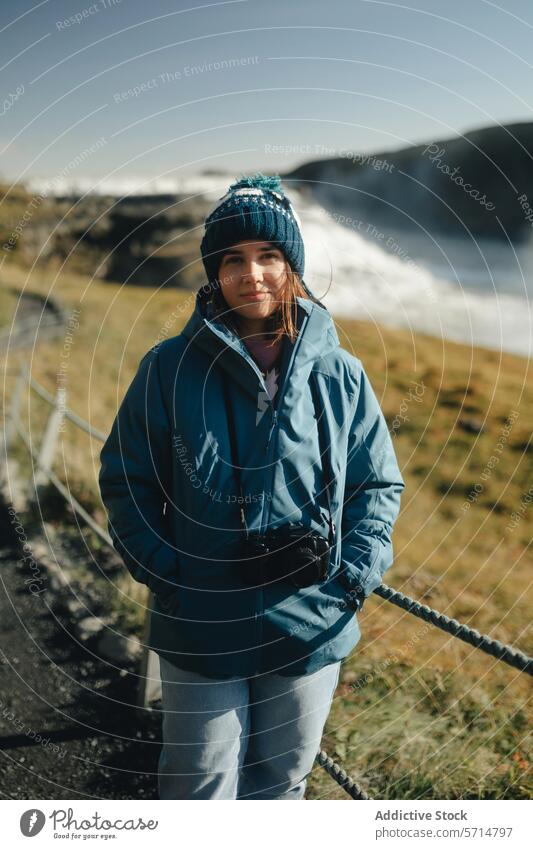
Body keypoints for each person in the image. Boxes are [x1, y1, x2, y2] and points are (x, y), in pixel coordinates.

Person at [98, 173, 405, 800]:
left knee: (280, 784)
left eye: (269, 256)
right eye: (233, 259)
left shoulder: (340, 373)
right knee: (198, 787)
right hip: (199, 622)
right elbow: (126, 478)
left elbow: (376, 484)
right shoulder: (167, 368)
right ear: (215, 273)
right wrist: (168, 571)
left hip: (309, 622)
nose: (252, 274)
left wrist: (350, 576)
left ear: (291, 266)